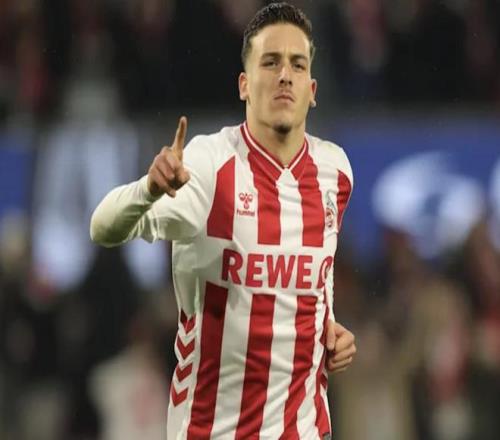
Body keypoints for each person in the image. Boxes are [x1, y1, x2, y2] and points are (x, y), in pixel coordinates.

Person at [90, 2, 356, 438]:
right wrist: (148, 189)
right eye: (270, 62)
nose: (284, 75)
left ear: (312, 89)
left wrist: (327, 327)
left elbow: (316, 274)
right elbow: (102, 227)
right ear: (244, 85)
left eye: (297, 64)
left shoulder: (335, 172)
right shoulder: (209, 165)